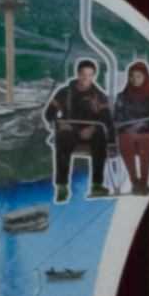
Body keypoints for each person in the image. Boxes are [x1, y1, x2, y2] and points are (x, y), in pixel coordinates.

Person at [43, 61, 115, 201]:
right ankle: (62, 186)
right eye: (83, 74)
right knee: (63, 139)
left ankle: (96, 185)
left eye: (89, 75)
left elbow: (106, 119)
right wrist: (60, 123)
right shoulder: (64, 93)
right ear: (77, 74)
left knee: (100, 137)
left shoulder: (99, 96)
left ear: (93, 76)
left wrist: (93, 128)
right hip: (70, 130)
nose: (86, 78)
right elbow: (49, 114)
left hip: (91, 132)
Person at [112, 61, 149, 193]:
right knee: (125, 138)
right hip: (127, 133)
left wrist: (144, 124)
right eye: (131, 76)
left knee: (146, 139)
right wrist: (128, 127)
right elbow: (116, 118)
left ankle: (144, 182)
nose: (134, 79)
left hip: (146, 133)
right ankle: (134, 181)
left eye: (138, 76)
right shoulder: (122, 97)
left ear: (145, 77)